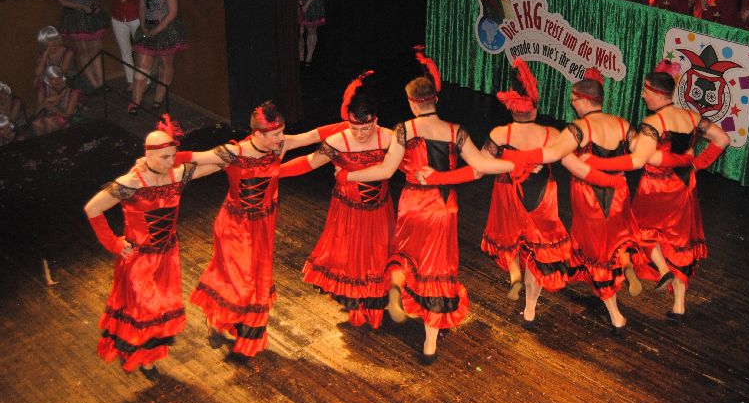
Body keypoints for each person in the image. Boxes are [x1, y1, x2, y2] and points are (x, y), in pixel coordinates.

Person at [344, 48, 515, 364]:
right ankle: (430, 345)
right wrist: (512, 164)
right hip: (442, 208)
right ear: (435, 99)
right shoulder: (455, 131)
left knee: (405, 256)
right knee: (437, 272)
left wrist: (350, 174)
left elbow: (385, 171)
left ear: (412, 103)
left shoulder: (404, 129)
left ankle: (396, 289)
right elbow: (480, 167)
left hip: (412, 202)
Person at [176, 103, 348, 361]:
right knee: (239, 277)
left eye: (282, 132)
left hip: (263, 224)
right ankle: (218, 319)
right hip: (234, 225)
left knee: (253, 278)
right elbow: (197, 159)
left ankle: (227, 322)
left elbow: (312, 136)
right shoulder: (234, 152)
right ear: (258, 133)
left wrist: (350, 126)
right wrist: (159, 163)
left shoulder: (279, 146)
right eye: (276, 134)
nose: (281, 138)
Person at [573, 61, 731, 323]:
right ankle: (679, 304)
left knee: (641, 232)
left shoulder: (653, 123)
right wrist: (695, 164)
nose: (643, 95)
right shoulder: (693, 118)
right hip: (683, 187)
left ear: (657, 93)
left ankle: (661, 269)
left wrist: (597, 163)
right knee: (679, 243)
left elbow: (641, 160)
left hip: (655, 188)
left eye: (645, 91)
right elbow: (723, 139)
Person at [501, 70, 645, 333]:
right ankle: (625, 272)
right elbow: (640, 154)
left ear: (584, 100)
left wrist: (516, 156)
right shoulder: (623, 124)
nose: (572, 104)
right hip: (618, 193)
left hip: (589, 197)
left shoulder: (578, 129)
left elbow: (554, 154)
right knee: (612, 246)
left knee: (576, 252)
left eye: (573, 100)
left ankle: (613, 316)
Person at [84, 116, 219, 380]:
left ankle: (148, 357)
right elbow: (93, 208)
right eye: (165, 157)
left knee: (160, 311)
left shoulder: (176, 175)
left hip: (167, 257)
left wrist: (247, 150)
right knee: (146, 310)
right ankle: (144, 360)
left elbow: (217, 163)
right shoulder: (130, 183)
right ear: (148, 156)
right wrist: (113, 242)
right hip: (139, 259)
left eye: (173, 156)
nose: (171, 162)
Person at [279, 72, 394, 328]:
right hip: (349, 210)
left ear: (376, 120)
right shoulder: (337, 141)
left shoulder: (389, 137)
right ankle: (356, 300)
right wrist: (275, 173)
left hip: (379, 209)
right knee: (351, 256)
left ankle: (374, 300)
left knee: (376, 254)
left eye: (366, 127)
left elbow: (403, 163)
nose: (361, 133)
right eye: (355, 127)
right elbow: (310, 162)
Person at [480, 59, 572, 326]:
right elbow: (568, 159)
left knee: (509, 236)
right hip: (541, 194)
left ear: (511, 110)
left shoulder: (500, 133)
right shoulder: (551, 133)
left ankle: (514, 276)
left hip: (508, 190)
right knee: (537, 249)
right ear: (535, 108)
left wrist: (510, 162)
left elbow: (483, 163)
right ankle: (530, 308)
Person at [130, 0, 189, 113]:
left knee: (165, 64)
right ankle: (135, 101)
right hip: (147, 27)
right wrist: (143, 26)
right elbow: (142, 8)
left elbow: (172, 12)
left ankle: (159, 97)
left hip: (166, 29)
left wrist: (156, 30)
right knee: (141, 66)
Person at [57, 0, 110, 91]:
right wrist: (82, 6)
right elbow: (62, 1)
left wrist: (96, 4)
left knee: (97, 49)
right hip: (77, 17)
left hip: (92, 15)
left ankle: (101, 83)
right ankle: (95, 84)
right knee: (84, 51)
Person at [105, 0, 141, 90]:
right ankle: (131, 80)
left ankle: (144, 81)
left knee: (141, 50)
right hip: (118, 17)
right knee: (125, 51)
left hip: (135, 16)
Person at [31, 65, 82, 136]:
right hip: (48, 116)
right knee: (36, 123)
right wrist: (45, 100)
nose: (58, 81)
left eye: (59, 78)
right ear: (48, 80)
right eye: (53, 79)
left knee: (49, 121)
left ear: (63, 78)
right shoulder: (43, 89)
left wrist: (53, 108)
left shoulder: (73, 92)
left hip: (68, 120)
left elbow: (68, 115)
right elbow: (36, 113)